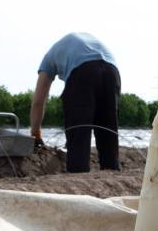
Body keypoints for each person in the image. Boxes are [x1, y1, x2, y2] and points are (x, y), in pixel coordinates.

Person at [30, 32, 121, 173]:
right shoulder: (73, 45)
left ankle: (78, 172)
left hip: (83, 71)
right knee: (107, 132)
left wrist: (35, 133)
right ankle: (112, 171)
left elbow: (38, 101)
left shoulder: (48, 59)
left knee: (78, 133)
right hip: (112, 71)